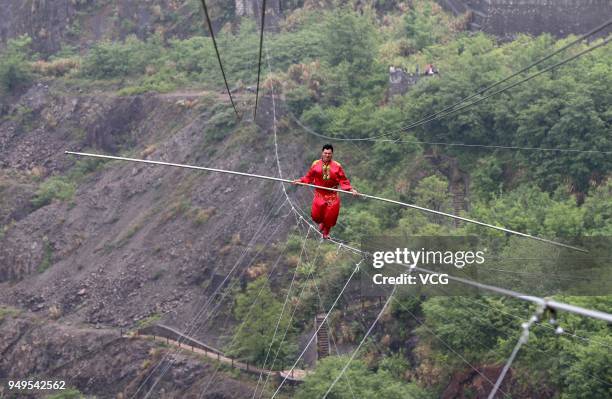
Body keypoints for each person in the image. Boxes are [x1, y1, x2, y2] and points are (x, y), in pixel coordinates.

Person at [292, 144, 359, 239]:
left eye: (329, 153)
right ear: (322, 153)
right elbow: (309, 177)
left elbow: (343, 180)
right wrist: (300, 181)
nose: (327, 155)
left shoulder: (337, 166)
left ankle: (326, 233)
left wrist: (351, 189)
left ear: (332, 154)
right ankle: (322, 224)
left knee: (330, 217)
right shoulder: (315, 164)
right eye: (325, 153)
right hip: (320, 194)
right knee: (316, 217)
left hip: (332, 195)